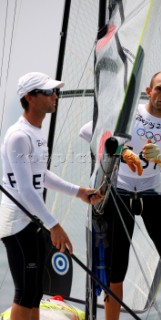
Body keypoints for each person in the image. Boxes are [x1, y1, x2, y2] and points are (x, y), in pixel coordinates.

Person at [79, 71, 161, 320]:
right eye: (159, 89)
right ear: (148, 90)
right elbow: (87, 131)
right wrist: (123, 149)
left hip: (150, 193)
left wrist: (160, 158)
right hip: (118, 192)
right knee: (115, 268)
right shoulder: (129, 115)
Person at [0, 72, 104, 320]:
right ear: (30, 97)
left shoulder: (35, 132)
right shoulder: (18, 136)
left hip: (32, 220)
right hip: (16, 222)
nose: (55, 96)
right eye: (49, 92)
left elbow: (41, 175)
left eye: (54, 91)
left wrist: (78, 192)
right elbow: (25, 190)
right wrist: (54, 226)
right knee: (25, 292)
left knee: (34, 291)